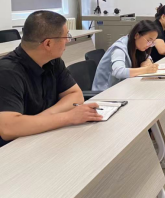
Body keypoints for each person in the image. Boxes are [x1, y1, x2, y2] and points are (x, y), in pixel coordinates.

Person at [0, 11, 102, 147]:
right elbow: (8, 128)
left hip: (41, 138)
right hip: (14, 149)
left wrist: (44, 118)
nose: (68, 41)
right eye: (66, 36)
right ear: (48, 44)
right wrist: (68, 117)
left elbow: (76, 95)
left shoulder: (53, 61)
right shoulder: (7, 72)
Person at [92, 20, 160, 91]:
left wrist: (147, 60)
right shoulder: (119, 49)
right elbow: (118, 72)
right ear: (137, 35)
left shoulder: (136, 46)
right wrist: (145, 70)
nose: (149, 45)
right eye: (149, 40)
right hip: (105, 91)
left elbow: (147, 56)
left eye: (152, 42)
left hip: (122, 86)